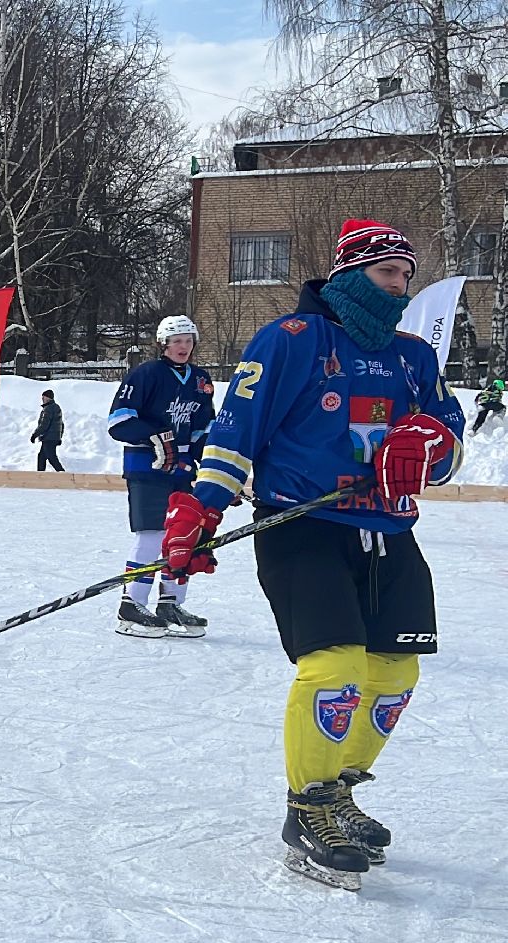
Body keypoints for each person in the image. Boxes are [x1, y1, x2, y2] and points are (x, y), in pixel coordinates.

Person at [164, 218, 466, 891]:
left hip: (390, 531)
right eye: (387, 273)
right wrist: (201, 507)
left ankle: (339, 792)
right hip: (303, 525)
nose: (400, 286)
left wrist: (431, 445)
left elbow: (451, 441)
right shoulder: (293, 338)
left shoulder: (414, 356)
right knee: (336, 668)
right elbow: (238, 428)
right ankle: (307, 810)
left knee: (395, 675)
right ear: (352, 274)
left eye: (406, 276)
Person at [107, 315, 215, 638]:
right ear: (163, 344)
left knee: (184, 536)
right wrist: (154, 434)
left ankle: (170, 603)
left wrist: (214, 467)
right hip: (147, 467)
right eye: (177, 341)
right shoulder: (146, 374)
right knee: (152, 535)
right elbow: (118, 421)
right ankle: (132, 605)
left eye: (188, 340)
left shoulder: (200, 379)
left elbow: (203, 429)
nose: (183, 346)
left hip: (181, 470)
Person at [31, 388, 65, 472]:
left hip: (49, 438)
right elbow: (61, 424)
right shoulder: (56, 407)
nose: (42, 399)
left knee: (51, 457)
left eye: (43, 397)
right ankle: (40, 475)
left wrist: (35, 435)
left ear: (48, 398)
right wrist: (59, 436)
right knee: (41, 457)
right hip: (52, 437)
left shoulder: (48, 409)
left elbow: (44, 425)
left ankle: (63, 475)